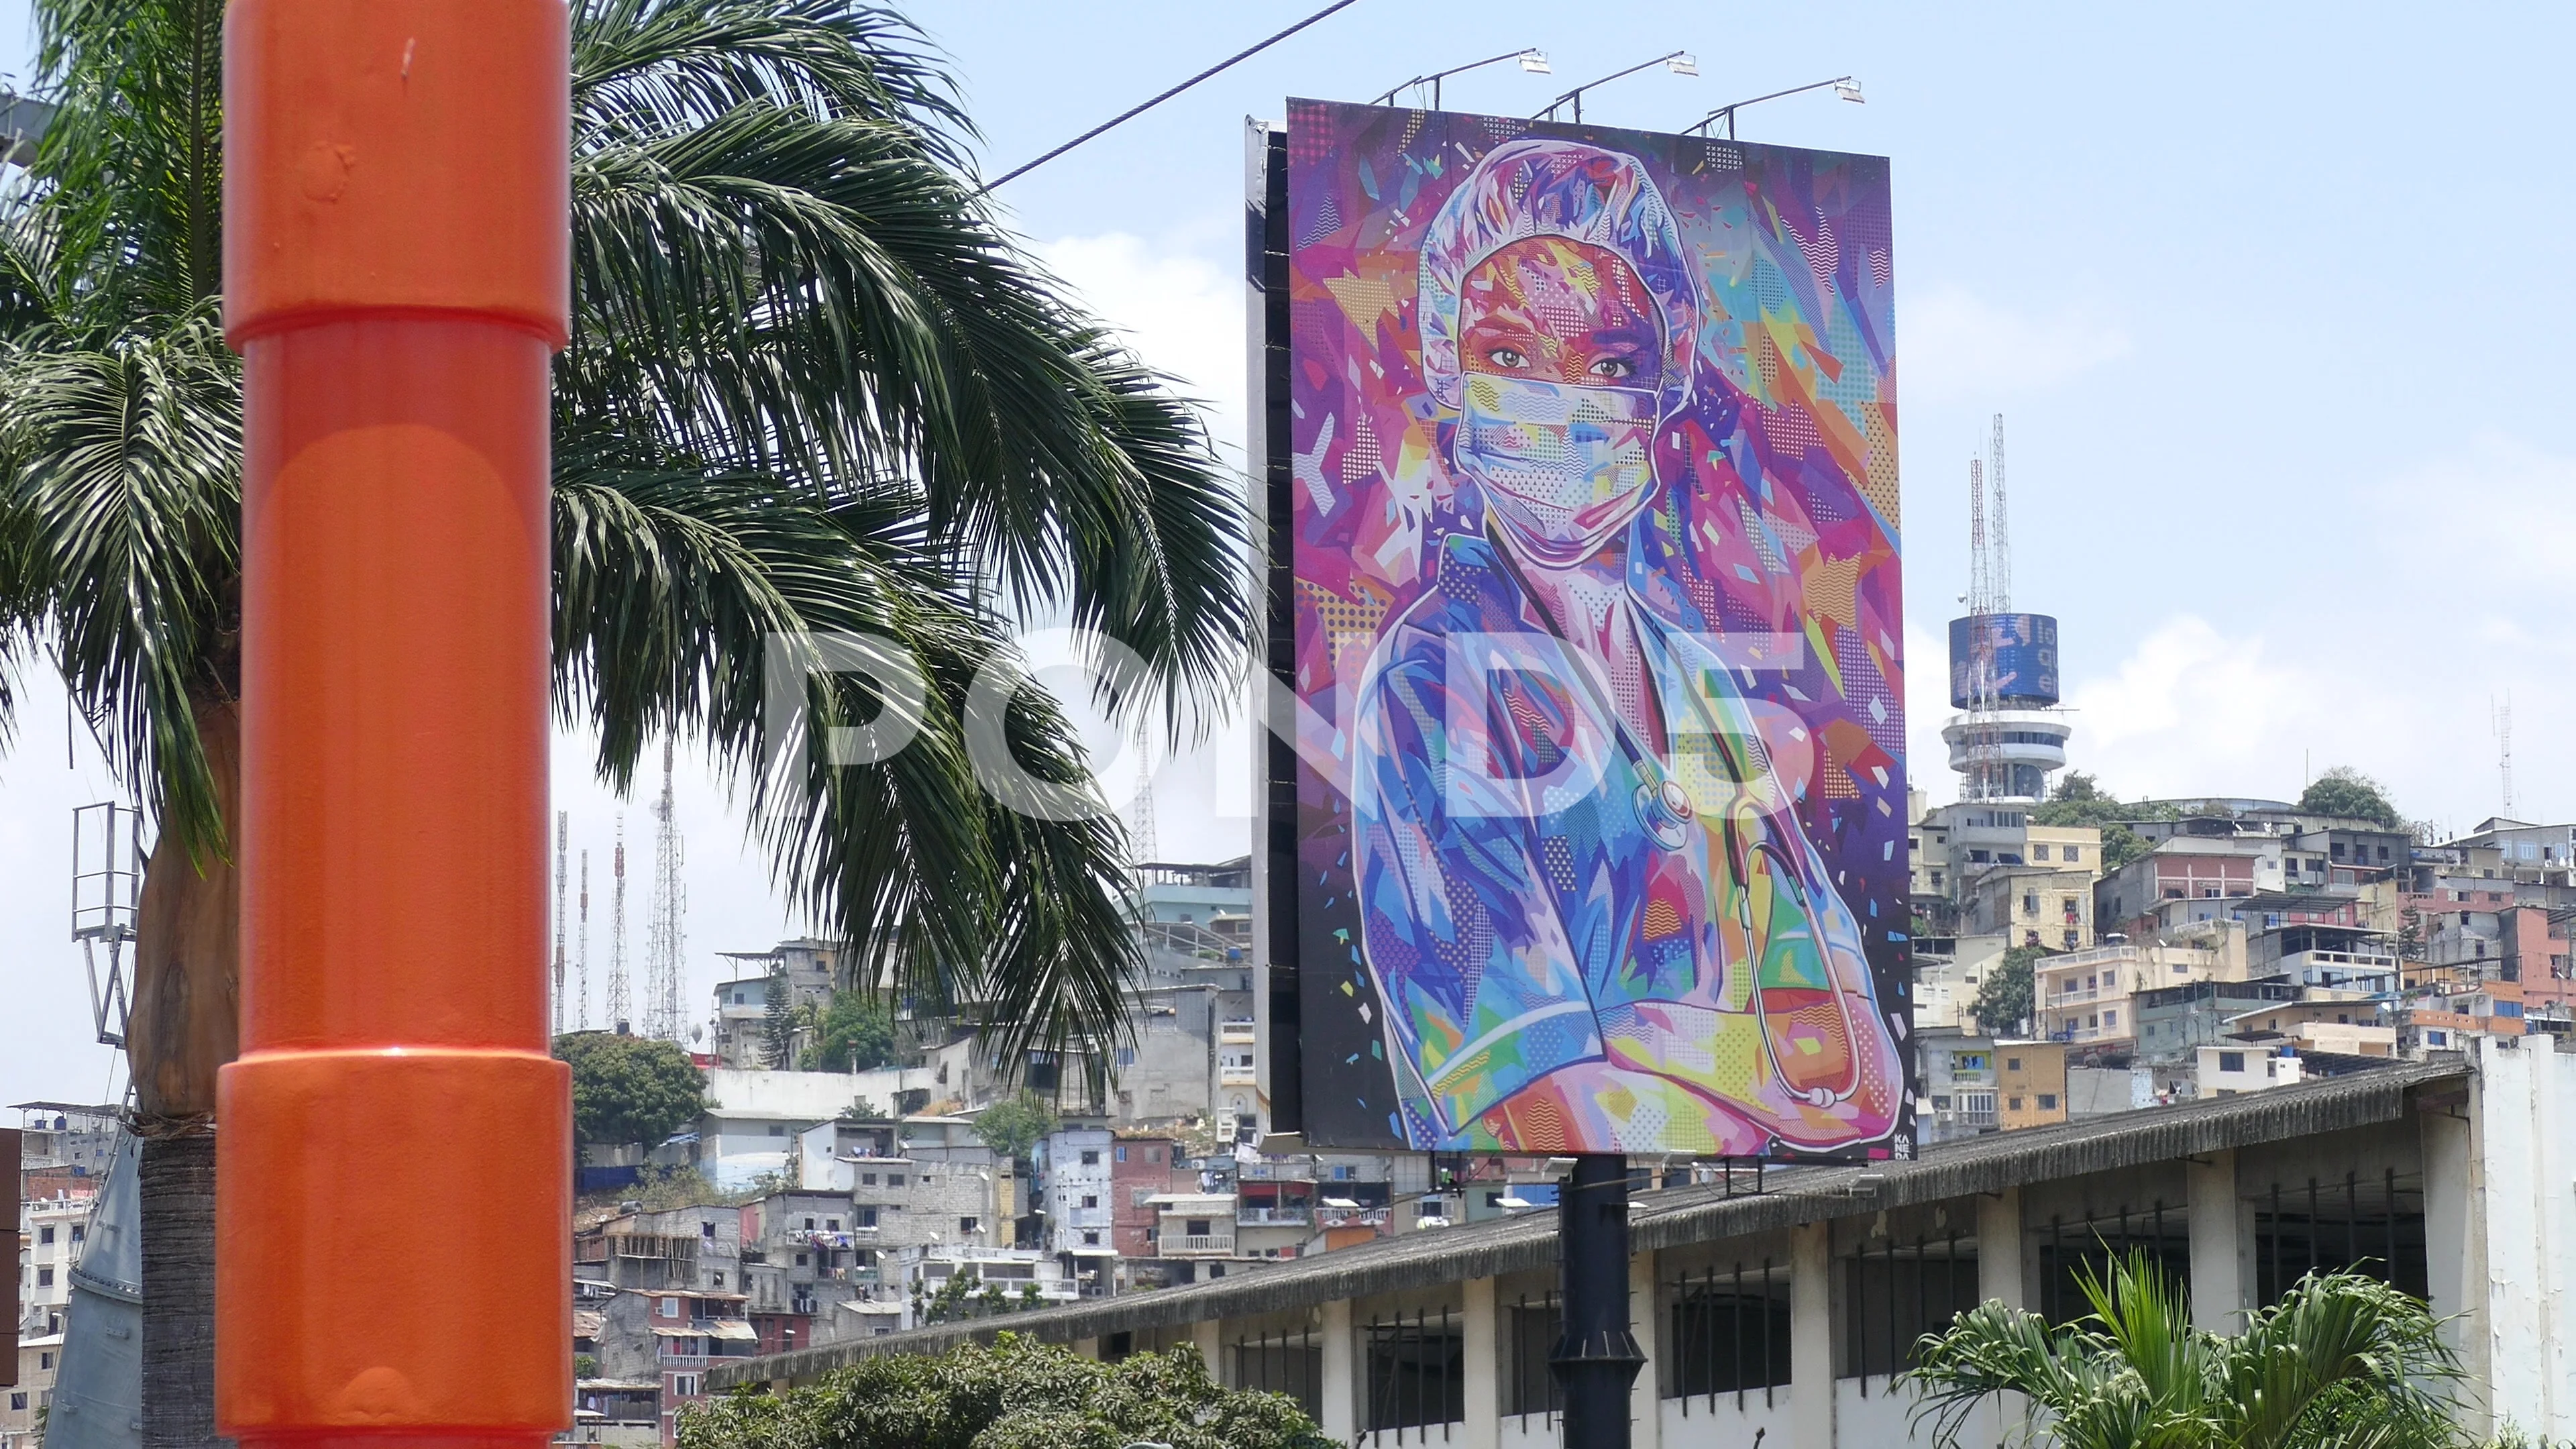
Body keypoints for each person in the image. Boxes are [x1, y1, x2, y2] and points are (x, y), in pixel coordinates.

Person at [1350, 136, 1903, 1155]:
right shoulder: (1431, 679)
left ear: (1666, 389)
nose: (1564, 405)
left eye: (1610, 366)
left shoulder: (1700, 687)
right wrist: (1739, 1068)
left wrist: (1630, 1037)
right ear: (1450, 381)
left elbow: (1860, 1078)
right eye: (1510, 359)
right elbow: (1533, 1099)